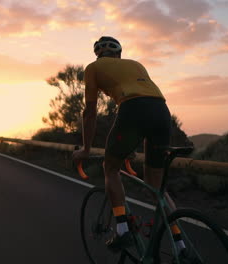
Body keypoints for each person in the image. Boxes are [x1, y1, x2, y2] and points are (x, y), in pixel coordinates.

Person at [72, 36, 184, 252]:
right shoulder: (136, 64)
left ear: (98, 54)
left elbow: (90, 113)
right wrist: (130, 147)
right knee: (156, 187)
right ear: (119, 54)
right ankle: (180, 244)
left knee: (110, 168)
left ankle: (123, 231)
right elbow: (147, 104)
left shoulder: (93, 68)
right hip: (162, 111)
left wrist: (85, 150)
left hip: (132, 110)